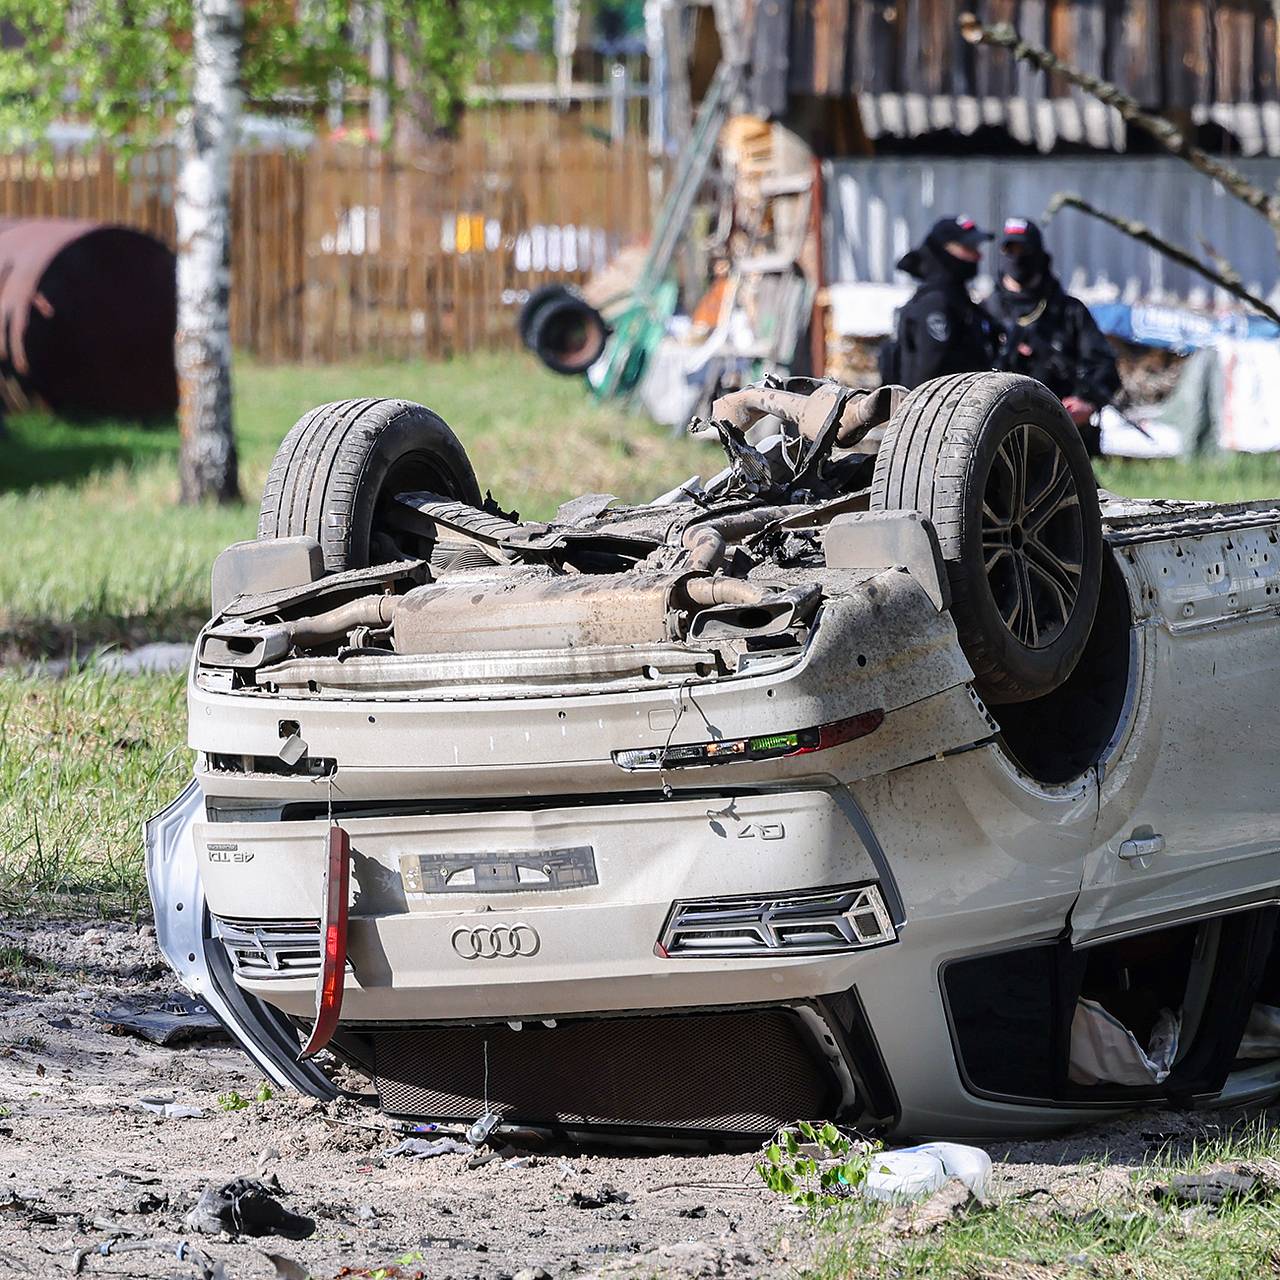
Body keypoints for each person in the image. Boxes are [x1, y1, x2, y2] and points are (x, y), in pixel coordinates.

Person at [985, 217, 1121, 456]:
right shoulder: (985, 312)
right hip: (996, 438)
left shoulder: (1069, 312)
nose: (1017, 257)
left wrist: (1087, 402)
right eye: (1010, 250)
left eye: (1023, 250)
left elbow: (1104, 365)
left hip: (1061, 437)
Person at [879, 216, 996, 389]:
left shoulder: (959, 301)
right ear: (943, 251)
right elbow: (928, 373)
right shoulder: (935, 304)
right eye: (968, 248)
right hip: (940, 412)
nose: (978, 256)